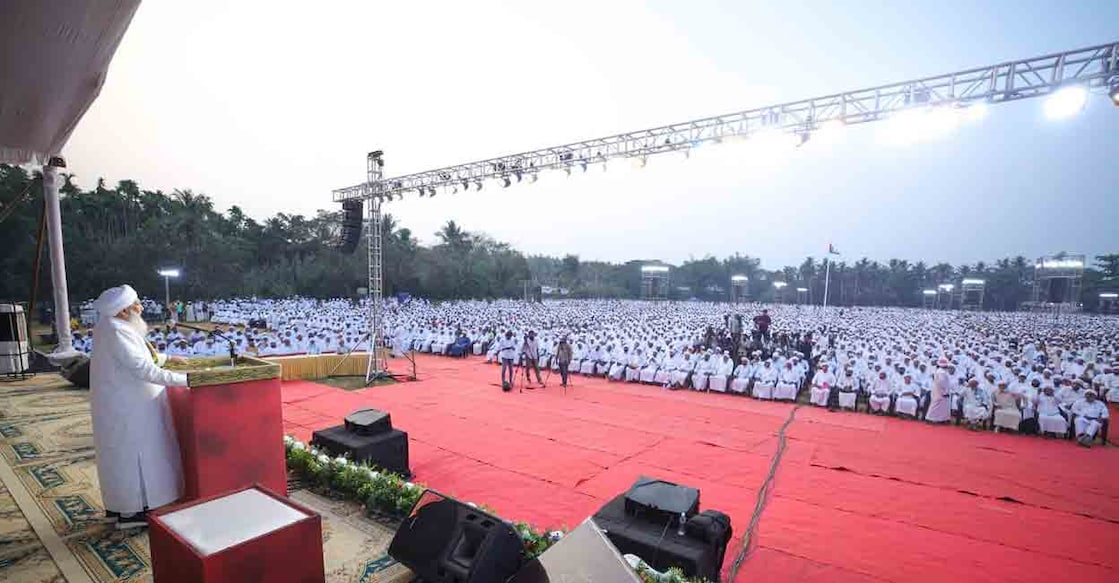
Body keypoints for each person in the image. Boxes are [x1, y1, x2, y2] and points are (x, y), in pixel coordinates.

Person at [89, 285, 190, 530]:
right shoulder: (116, 331)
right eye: (136, 304)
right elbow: (142, 368)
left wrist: (168, 359)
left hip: (127, 403)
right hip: (130, 409)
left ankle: (124, 506)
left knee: (125, 456)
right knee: (136, 457)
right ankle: (134, 510)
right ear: (123, 311)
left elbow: (140, 356)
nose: (141, 307)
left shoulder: (112, 326)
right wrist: (186, 380)